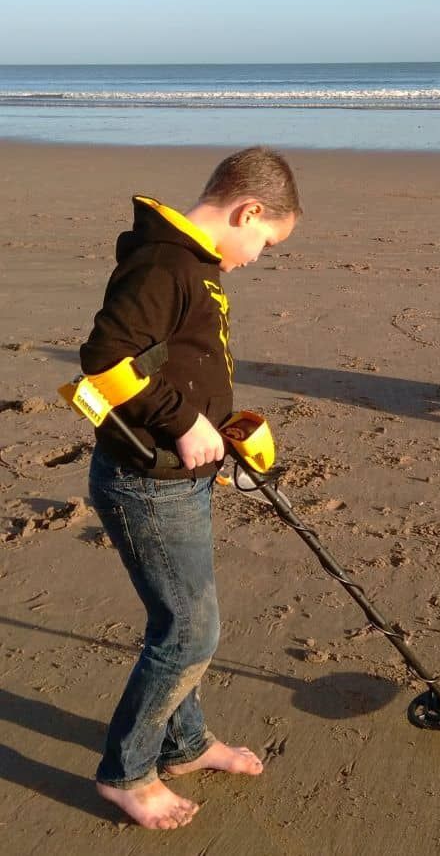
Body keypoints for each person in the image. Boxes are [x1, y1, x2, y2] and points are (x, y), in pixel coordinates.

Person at [80, 146, 300, 829]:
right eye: (264, 240)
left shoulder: (194, 264)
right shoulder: (163, 265)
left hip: (179, 476)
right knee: (189, 632)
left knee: (184, 620)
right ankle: (127, 770)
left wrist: (221, 430)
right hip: (147, 484)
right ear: (248, 210)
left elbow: (178, 364)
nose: (259, 255)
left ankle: (185, 741)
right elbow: (103, 362)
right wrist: (180, 422)